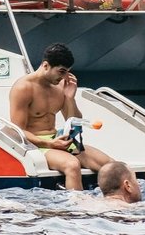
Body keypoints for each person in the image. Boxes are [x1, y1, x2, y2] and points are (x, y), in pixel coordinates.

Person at [8, 43, 112, 191]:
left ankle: (118, 204)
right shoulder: (24, 87)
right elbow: (17, 131)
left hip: (58, 140)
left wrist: (70, 98)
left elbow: (73, 120)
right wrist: (50, 144)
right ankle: (79, 211)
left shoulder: (61, 85)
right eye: (61, 71)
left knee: (111, 165)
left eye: (67, 72)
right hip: (35, 144)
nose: (64, 77)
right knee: (72, 165)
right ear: (45, 66)